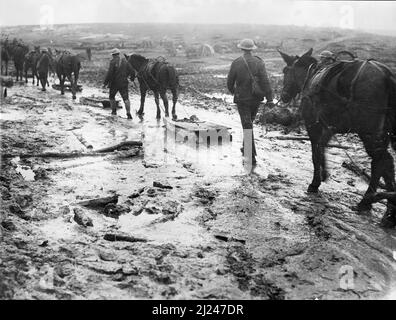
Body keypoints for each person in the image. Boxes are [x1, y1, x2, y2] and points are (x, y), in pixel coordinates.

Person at [227, 38, 274, 166]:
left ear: (241, 49)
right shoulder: (259, 62)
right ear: (252, 49)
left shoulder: (236, 63)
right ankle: (246, 148)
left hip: (242, 99)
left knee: (247, 125)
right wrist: (270, 99)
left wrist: (235, 92)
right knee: (249, 123)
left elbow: (229, 83)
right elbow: (265, 81)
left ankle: (249, 155)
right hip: (256, 99)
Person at [103, 48, 134, 119]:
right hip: (124, 83)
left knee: (111, 97)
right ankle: (128, 114)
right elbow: (132, 71)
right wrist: (131, 79)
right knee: (126, 99)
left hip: (114, 83)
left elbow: (110, 73)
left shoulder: (112, 62)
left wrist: (105, 83)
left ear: (113, 55)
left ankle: (114, 111)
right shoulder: (126, 61)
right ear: (118, 54)